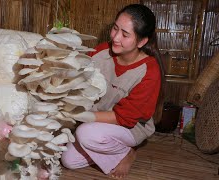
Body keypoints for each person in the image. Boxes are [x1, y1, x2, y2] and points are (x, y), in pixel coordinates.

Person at [61, 4, 164, 179]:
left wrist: (80, 115)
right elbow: (78, 77)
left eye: (125, 34)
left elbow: (125, 117)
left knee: (85, 133)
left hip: (130, 127)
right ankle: (113, 151)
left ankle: (127, 153)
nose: (115, 37)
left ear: (142, 41)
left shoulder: (150, 72)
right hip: (98, 123)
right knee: (68, 160)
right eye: (115, 28)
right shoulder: (102, 52)